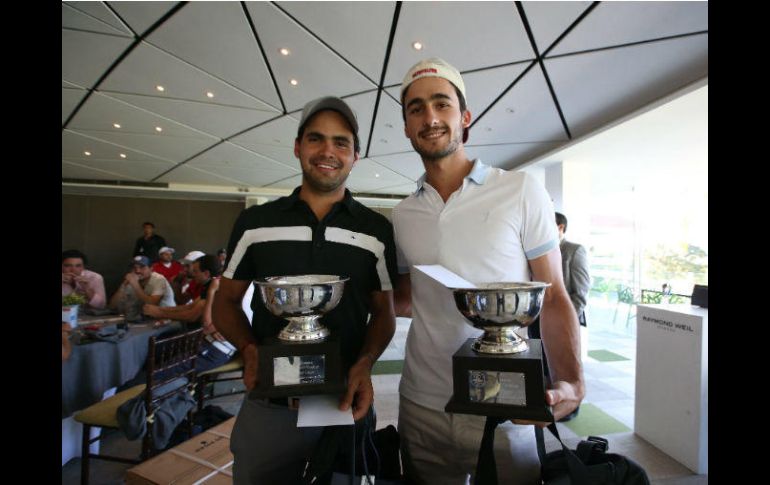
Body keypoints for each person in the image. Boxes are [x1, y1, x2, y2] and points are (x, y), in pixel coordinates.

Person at [392, 58, 585, 484]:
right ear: (406, 126)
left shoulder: (520, 189)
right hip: (421, 402)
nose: (430, 117)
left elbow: (553, 295)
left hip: (505, 399)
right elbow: (406, 300)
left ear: (465, 118)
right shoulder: (402, 214)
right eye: (416, 108)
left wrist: (572, 381)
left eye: (442, 104)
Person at [212, 96, 398, 484]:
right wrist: (248, 349)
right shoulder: (255, 222)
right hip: (271, 402)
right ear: (298, 147)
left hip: (345, 399)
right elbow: (226, 302)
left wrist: (366, 362)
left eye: (341, 142)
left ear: (355, 156)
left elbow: (384, 311)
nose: (328, 151)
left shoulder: (376, 230)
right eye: (316, 139)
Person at [143, 254, 233, 374]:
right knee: (155, 351)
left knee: (157, 369)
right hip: (202, 339)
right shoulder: (210, 284)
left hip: (211, 346)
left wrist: (159, 312)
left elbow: (195, 317)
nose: (189, 272)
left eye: (193, 270)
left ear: (206, 273)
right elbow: (188, 306)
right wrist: (160, 311)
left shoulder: (216, 286)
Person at [554, 211, 590, 422]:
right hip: (541, 319)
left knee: (567, 363)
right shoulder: (541, 251)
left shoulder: (574, 250)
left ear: (560, 227)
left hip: (565, 320)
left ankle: (571, 407)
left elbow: (580, 294)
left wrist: (566, 320)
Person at [109, 255, 176, 321]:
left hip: (168, 318)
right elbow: (112, 306)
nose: (137, 271)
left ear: (151, 269)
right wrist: (123, 286)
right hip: (144, 320)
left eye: (142, 267)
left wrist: (135, 284)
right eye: (134, 268)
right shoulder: (132, 281)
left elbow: (152, 303)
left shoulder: (159, 279)